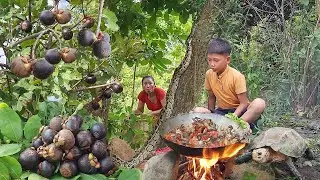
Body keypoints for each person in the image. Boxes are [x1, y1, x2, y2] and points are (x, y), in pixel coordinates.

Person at [192, 38, 265, 127]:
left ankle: (236, 126)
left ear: (227, 60)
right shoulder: (209, 74)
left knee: (259, 103)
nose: (212, 64)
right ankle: (223, 126)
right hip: (222, 113)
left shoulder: (237, 76)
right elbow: (211, 97)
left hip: (240, 113)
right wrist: (210, 116)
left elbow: (244, 103)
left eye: (216, 60)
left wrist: (233, 117)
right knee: (197, 111)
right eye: (209, 60)